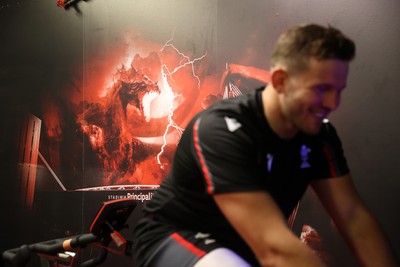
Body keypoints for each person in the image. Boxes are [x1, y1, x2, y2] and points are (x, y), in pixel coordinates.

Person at [132, 23, 398, 267]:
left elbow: (354, 218)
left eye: (338, 90)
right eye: (320, 89)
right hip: (177, 238)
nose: (332, 103)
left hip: (247, 244)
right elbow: (275, 248)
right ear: (281, 81)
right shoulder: (221, 128)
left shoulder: (320, 133)